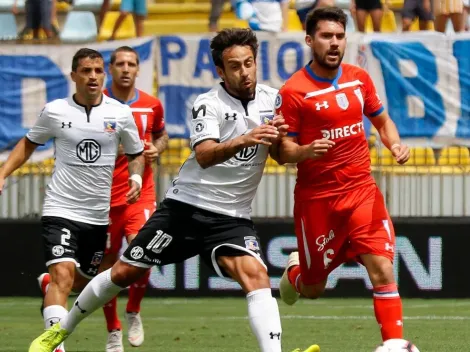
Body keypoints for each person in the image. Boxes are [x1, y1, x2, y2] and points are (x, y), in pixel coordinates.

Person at [28, 28, 319, 352]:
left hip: (233, 216)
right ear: (220, 71)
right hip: (186, 209)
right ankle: (60, 331)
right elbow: (206, 155)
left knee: (256, 276)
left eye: (249, 63)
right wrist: (247, 138)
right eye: (235, 66)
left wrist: (293, 145)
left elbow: (278, 154)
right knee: (123, 273)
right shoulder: (207, 104)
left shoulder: (271, 99)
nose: (244, 72)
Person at [275, 7, 410, 344]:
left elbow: (382, 121)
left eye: (339, 36)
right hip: (319, 202)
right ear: (309, 40)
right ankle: (294, 272)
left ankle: (393, 346)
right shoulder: (294, 91)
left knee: (382, 270)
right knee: (313, 288)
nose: (334, 43)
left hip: (362, 192)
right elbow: (281, 152)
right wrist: (305, 152)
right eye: (326, 36)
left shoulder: (358, 78)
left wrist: (394, 145)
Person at [0, 48, 145, 352]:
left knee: (83, 283)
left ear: (103, 75)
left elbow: (135, 153)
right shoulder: (55, 111)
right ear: (74, 76)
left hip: (97, 215)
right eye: (86, 71)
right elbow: (28, 144)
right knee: (62, 276)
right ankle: (55, 345)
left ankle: (46, 286)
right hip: (61, 208)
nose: (92, 76)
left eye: (97, 71)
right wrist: (2, 173)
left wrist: (135, 178)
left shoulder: (120, 114)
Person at [102, 45, 168, 352]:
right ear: (110, 69)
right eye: (120, 64)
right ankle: (113, 329)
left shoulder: (152, 105)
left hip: (140, 194)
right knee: (105, 266)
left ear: (138, 69)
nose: (126, 69)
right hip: (102, 199)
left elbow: (161, 135)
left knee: (145, 254)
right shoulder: (97, 104)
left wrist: (158, 148)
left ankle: (134, 310)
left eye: (131, 64)